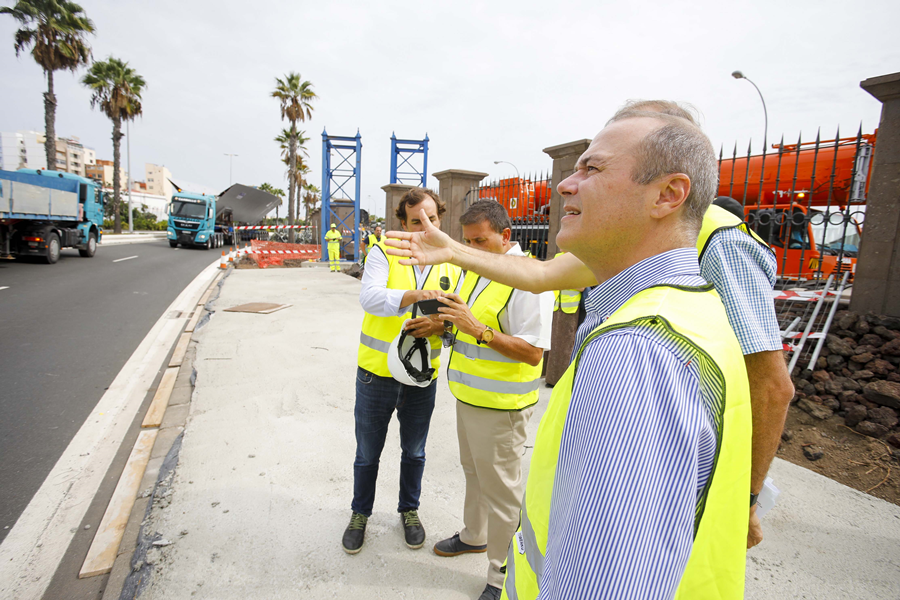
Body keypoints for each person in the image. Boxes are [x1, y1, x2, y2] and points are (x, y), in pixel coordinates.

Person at [385, 100, 794, 551]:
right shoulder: (626, 243)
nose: (566, 184)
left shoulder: (718, 241)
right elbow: (540, 275)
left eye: (594, 167)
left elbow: (771, 384)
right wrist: (452, 251)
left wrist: (748, 498)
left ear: (669, 191)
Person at [431, 200, 553, 600]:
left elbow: (534, 352)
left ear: (506, 236)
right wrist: (439, 323)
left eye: (480, 241)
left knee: (501, 492)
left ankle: (502, 573)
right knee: (473, 474)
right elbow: (464, 320)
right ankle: (474, 536)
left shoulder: (528, 279)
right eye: (467, 242)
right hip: (469, 396)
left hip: (502, 407)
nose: (473, 249)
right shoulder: (479, 269)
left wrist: (478, 329)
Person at [343, 187, 462, 555]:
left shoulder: (453, 260)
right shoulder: (383, 252)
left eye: (432, 219)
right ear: (402, 223)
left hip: (421, 379)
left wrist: (439, 326)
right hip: (376, 375)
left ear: (441, 218)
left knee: (414, 452)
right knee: (368, 453)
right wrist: (414, 295)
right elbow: (371, 298)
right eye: (416, 221)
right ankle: (360, 514)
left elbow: (461, 316)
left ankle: (409, 510)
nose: (425, 227)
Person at [545, 252, 584, 387]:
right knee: (554, 343)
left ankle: (561, 380)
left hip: (570, 306)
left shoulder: (579, 258)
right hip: (556, 305)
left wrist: (563, 280)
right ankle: (550, 377)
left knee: (566, 344)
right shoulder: (557, 257)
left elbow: (581, 286)